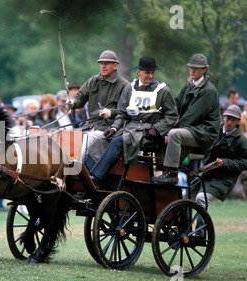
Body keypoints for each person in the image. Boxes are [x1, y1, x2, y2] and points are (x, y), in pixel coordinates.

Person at [88, 56, 178, 188]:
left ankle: (96, 178)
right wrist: (113, 128)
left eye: (153, 73)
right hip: (129, 129)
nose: (151, 76)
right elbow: (122, 113)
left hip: (147, 133)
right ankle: (88, 177)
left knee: (117, 142)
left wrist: (157, 128)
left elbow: (172, 115)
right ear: (139, 72)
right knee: (102, 139)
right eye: (147, 73)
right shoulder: (130, 89)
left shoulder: (163, 91)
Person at [151, 53, 220, 185]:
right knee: (165, 138)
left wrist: (167, 129)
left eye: (196, 68)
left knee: (174, 134)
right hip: (191, 130)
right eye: (190, 68)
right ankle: (165, 175)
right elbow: (173, 106)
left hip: (204, 132)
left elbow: (192, 116)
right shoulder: (189, 85)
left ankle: (172, 175)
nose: (192, 71)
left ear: (204, 70)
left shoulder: (209, 90)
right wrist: (157, 122)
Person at [67, 50, 129, 163]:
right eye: (101, 64)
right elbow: (80, 97)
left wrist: (111, 112)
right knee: (68, 137)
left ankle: (75, 169)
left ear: (115, 65)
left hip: (109, 128)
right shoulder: (93, 81)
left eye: (107, 63)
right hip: (90, 125)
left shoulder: (124, 85)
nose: (103, 66)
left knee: (87, 139)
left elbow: (126, 111)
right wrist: (73, 102)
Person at [194, 105, 247, 209]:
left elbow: (245, 162)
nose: (230, 122)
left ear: (238, 121)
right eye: (228, 118)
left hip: (223, 181)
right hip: (206, 175)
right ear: (223, 117)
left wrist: (225, 162)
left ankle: (204, 226)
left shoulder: (241, 141)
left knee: (201, 198)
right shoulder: (214, 131)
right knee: (184, 195)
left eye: (233, 120)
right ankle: (185, 225)